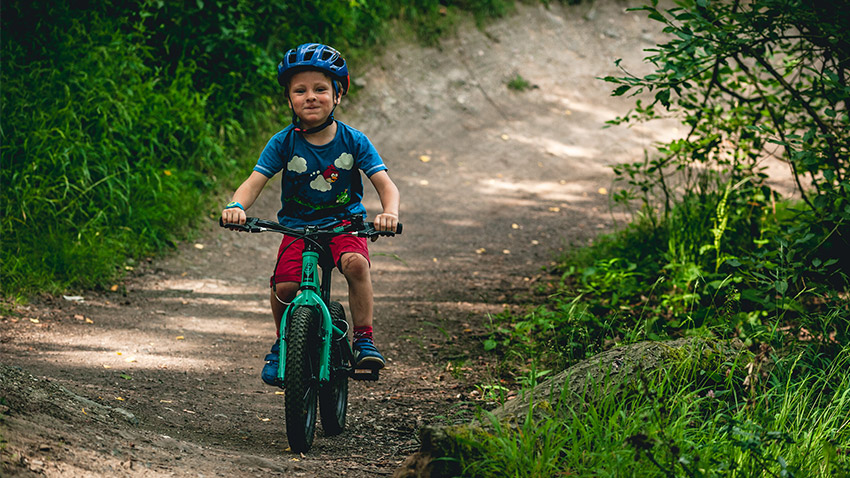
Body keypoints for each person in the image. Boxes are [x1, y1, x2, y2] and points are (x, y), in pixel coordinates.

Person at [221, 43, 400, 387]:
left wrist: (388, 213)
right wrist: (236, 206)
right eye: (300, 90)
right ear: (289, 100)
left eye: (320, 89)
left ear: (338, 96)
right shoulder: (283, 143)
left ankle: (363, 338)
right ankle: (281, 344)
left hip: (346, 225)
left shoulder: (354, 140)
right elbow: (254, 182)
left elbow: (386, 185)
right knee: (286, 286)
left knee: (357, 265)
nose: (311, 97)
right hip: (298, 228)